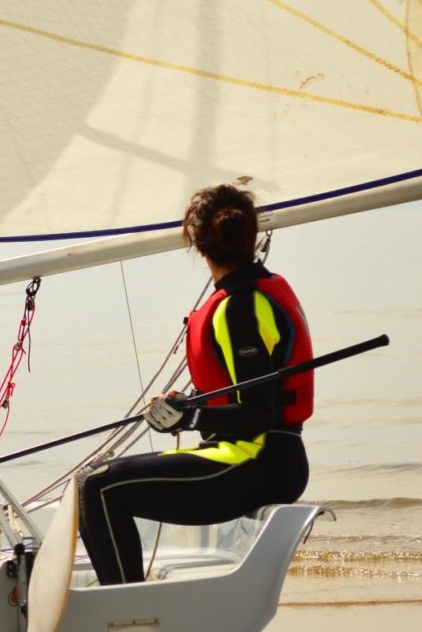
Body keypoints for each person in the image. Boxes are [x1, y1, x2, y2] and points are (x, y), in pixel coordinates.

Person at [78, 183, 313, 586]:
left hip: (259, 461)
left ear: (196, 243)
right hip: (258, 456)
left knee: (96, 486)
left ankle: (124, 613)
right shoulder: (259, 292)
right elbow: (244, 396)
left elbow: (259, 413)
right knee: (97, 483)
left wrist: (188, 418)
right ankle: (122, 600)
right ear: (251, 238)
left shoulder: (241, 309)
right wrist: (186, 409)